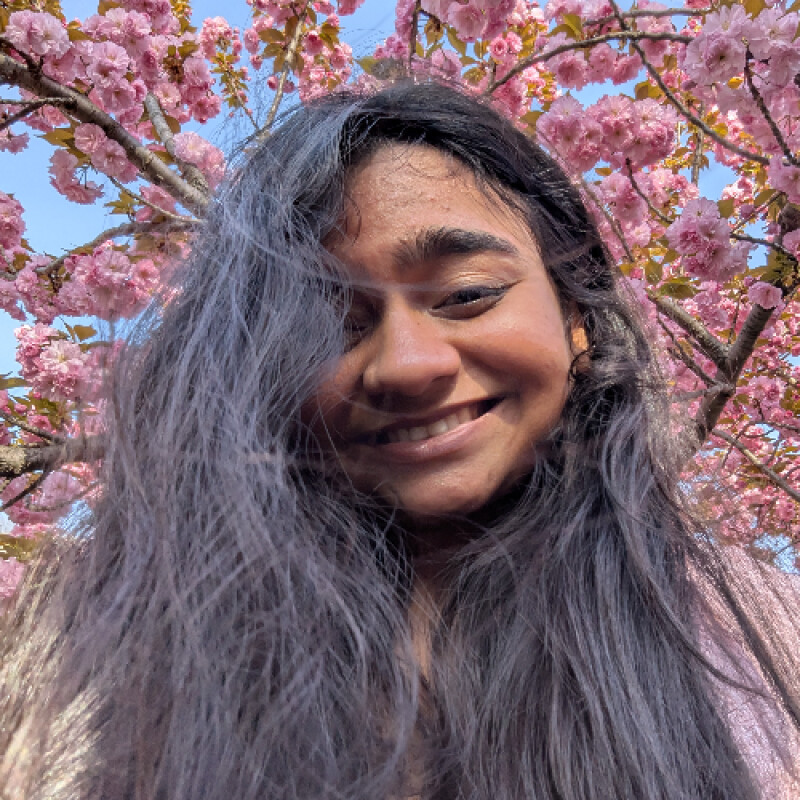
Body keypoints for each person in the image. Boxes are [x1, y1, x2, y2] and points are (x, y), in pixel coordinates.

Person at [1, 81, 799, 800]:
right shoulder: (87, 656)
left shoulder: (759, 640)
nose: (408, 366)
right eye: (326, 327)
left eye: (466, 294)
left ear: (576, 317)